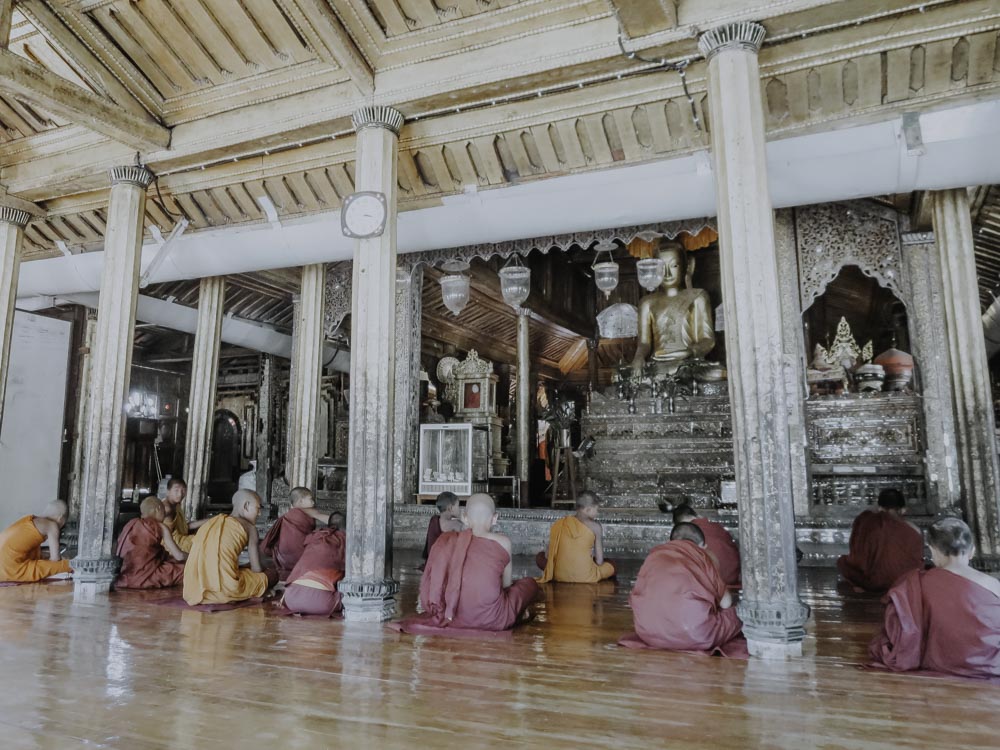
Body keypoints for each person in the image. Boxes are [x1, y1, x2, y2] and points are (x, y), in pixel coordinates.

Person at [869, 517, 1000, 681]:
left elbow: (901, 628)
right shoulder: (993, 584)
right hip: (990, 662)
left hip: (939, 661)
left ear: (933, 550)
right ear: (972, 551)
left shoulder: (917, 583)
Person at [394, 494, 539, 634]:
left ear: (464, 518)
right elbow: (506, 585)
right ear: (495, 518)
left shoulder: (448, 541)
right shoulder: (503, 542)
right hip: (494, 619)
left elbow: (436, 582)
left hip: (453, 616)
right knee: (530, 584)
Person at [619, 522, 745, 655]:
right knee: (737, 614)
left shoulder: (654, 555)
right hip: (696, 636)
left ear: (671, 542)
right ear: (702, 546)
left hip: (648, 633)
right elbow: (726, 602)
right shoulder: (704, 555)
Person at [182, 490, 276, 606]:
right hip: (228, 589)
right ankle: (253, 592)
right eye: (258, 508)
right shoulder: (250, 528)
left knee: (242, 569)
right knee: (272, 574)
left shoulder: (211, 523)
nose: (260, 514)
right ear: (246, 506)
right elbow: (256, 569)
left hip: (197, 589)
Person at [837, 488, 924, 593]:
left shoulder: (866, 521)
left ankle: (862, 587)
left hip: (871, 582)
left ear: (879, 508)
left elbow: (857, 557)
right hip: (903, 581)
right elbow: (916, 561)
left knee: (842, 562)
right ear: (903, 510)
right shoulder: (913, 529)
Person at [536, 492, 615, 583]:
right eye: (597, 510)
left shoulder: (561, 523)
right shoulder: (596, 527)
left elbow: (547, 555)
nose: (597, 513)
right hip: (586, 576)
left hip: (558, 575)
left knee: (539, 557)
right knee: (611, 564)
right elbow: (599, 561)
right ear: (588, 510)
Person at [282, 512, 348, 617]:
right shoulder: (344, 540)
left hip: (291, 599)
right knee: (353, 597)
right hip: (321, 602)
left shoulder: (316, 538)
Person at [115, 497, 186, 589]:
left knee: (172, 562)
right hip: (146, 576)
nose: (165, 515)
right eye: (164, 511)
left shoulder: (131, 524)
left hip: (124, 576)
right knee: (187, 570)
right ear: (158, 509)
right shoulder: (161, 527)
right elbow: (179, 556)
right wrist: (195, 556)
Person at [260, 487, 330, 580]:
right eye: (310, 499)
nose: (313, 502)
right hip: (298, 555)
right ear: (301, 502)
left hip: (283, 558)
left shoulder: (290, 514)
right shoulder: (308, 511)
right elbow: (327, 519)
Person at [0, 500, 72, 583]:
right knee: (68, 565)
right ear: (61, 519)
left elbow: (28, 553)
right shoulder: (52, 525)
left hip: (2, 569)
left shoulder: (30, 520)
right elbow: (55, 559)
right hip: (10, 569)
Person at [672, 504, 741, 587]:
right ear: (696, 515)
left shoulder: (688, 534)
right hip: (733, 576)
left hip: (713, 583)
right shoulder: (716, 526)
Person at [161, 478, 207, 553]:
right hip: (174, 546)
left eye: (183, 490)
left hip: (182, 539)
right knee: (208, 542)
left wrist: (208, 521)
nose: (180, 494)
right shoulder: (167, 508)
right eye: (176, 490)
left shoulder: (176, 505)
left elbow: (185, 527)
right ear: (168, 492)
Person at [421, 491, 462, 566]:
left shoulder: (434, 520)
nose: (459, 509)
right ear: (450, 508)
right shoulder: (456, 524)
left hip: (431, 561)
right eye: (458, 506)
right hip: (444, 564)